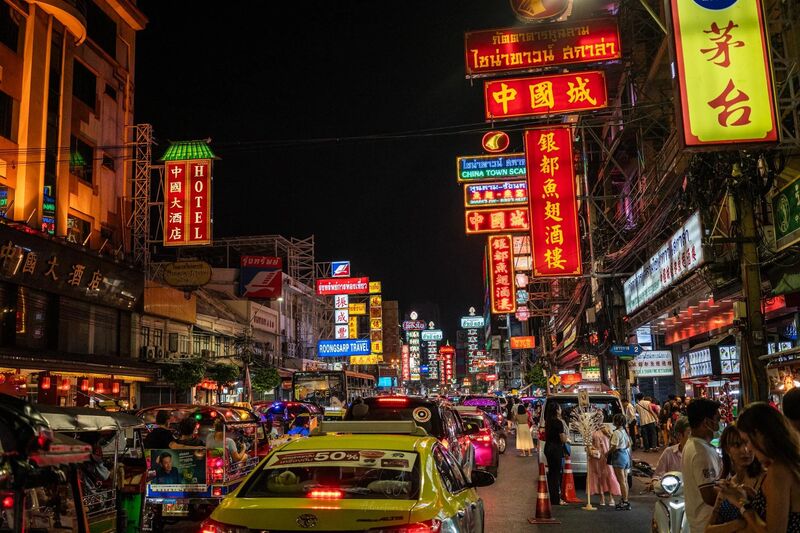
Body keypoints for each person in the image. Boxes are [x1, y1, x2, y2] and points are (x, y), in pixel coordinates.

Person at [731, 402, 800, 532]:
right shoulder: (790, 463)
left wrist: (742, 503)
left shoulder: (779, 470)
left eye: (747, 441)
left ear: (759, 435)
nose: (748, 449)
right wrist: (758, 496)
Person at [705, 425, 764, 533]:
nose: (745, 450)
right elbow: (708, 530)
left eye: (747, 443)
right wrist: (737, 524)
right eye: (737, 445)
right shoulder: (728, 485)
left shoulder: (765, 480)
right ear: (727, 449)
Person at [682, 398, 722, 533]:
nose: (719, 424)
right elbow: (710, 496)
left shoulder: (693, 445)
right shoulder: (701, 452)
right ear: (706, 422)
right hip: (708, 523)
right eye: (717, 419)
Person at [588, 424, 621, 506]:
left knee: (609, 475)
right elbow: (589, 444)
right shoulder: (592, 430)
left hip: (606, 455)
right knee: (599, 476)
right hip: (597, 456)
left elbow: (613, 440)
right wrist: (591, 449)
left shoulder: (606, 427)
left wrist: (607, 432)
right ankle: (602, 497)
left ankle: (611, 497)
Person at [544, 401, 568, 505]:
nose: (561, 409)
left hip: (548, 448)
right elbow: (562, 439)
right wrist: (567, 438)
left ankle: (553, 497)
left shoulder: (548, 421)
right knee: (556, 475)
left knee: (552, 473)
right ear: (557, 410)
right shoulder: (558, 422)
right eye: (559, 408)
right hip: (556, 449)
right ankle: (556, 499)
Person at [609, 413, 632, 510]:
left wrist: (607, 453)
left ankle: (625, 501)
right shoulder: (625, 432)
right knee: (625, 480)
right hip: (626, 456)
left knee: (621, 481)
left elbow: (614, 446)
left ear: (616, 422)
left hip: (618, 456)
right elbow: (629, 444)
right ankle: (625, 499)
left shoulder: (616, 433)